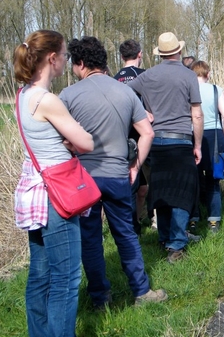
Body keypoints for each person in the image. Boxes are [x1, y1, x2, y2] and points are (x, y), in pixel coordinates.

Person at [59, 36, 167, 307]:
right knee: (126, 234)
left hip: (85, 180)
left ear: (81, 63)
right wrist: (136, 165)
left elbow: (60, 141)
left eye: (74, 64)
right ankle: (141, 291)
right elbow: (147, 132)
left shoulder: (69, 96)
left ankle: (100, 297)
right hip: (119, 174)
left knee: (91, 239)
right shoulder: (126, 92)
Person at [13, 30, 94, 336]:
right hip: (56, 195)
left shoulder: (22, 96)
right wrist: (73, 140)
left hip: (35, 191)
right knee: (67, 279)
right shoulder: (47, 100)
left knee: (41, 274)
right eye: (64, 55)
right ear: (52, 59)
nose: (66, 60)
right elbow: (85, 142)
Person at [128, 32, 204, 263]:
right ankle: (176, 244)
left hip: (156, 141)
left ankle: (163, 237)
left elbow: (124, 92)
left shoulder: (148, 75)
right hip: (181, 140)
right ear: (179, 51)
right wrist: (198, 144)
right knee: (182, 191)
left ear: (160, 54)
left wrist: (141, 114)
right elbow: (197, 114)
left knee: (160, 190)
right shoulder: (188, 76)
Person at [113, 39, 150, 233]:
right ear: (140, 54)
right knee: (147, 179)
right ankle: (148, 220)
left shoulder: (113, 79)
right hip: (144, 133)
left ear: (121, 57)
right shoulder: (145, 76)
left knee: (132, 180)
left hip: (123, 135)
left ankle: (133, 221)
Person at [190, 60, 224, 233]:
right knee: (213, 179)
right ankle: (214, 221)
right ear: (208, 74)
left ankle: (193, 218)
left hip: (194, 135)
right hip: (215, 136)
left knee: (194, 178)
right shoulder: (216, 89)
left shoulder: (188, 90)